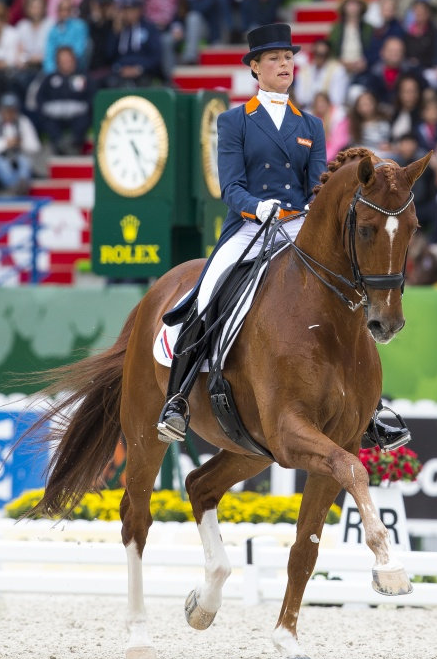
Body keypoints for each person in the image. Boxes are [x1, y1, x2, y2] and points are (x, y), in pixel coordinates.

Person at [156, 22, 411, 454]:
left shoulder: (308, 122)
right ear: (255, 67)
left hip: (297, 225)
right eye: (274, 59)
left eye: (289, 58)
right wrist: (259, 207)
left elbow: (318, 184)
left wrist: (310, 211)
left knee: (348, 294)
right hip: (249, 226)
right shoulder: (235, 120)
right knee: (207, 293)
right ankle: (178, 401)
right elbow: (231, 187)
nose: (284, 65)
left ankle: (369, 410)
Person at [0, 91, 41, 191]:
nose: (9, 113)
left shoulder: (23, 121)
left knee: (24, 162)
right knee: (1, 164)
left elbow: (35, 147)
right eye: (7, 110)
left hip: (17, 157)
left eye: (12, 110)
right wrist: (5, 144)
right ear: (1, 109)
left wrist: (21, 143)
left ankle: (22, 185)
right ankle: (13, 186)